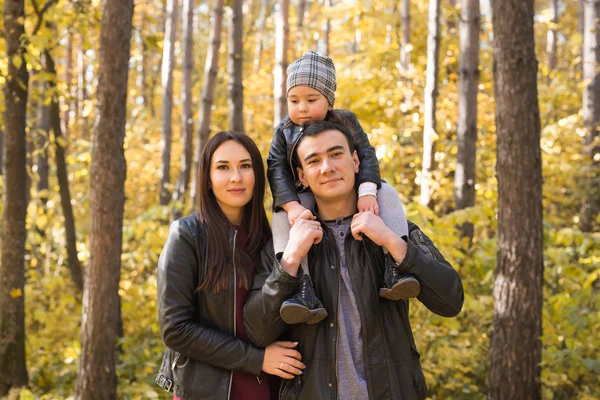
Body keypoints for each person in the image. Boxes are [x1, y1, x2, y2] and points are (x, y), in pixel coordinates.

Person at [244, 121, 464, 399]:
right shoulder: (285, 244)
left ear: (356, 160)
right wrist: (290, 261)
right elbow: (258, 333)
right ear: (301, 175)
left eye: (336, 154)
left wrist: (392, 242)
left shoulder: (393, 228)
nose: (327, 167)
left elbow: (450, 301)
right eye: (314, 161)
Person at [268, 50, 419, 325]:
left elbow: (366, 155)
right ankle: (302, 287)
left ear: (328, 100)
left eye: (311, 100)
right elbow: (275, 167)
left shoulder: (345, 121)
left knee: (388, 194)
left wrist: (367, 192)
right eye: (294, 100)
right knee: (279, 218)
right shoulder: (283, 130)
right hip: (302, 196)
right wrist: (291, 206)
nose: (301, 108)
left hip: (349, 191)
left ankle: (395, 267)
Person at [155, 131, 305, 400]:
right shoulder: (187, 235)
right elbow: (175, 329)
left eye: (245, 166)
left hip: (267, 387)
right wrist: (256, 359)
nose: (236, 177)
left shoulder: (275, 240)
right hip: (205, 390)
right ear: (208, 179)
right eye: (223, 167)